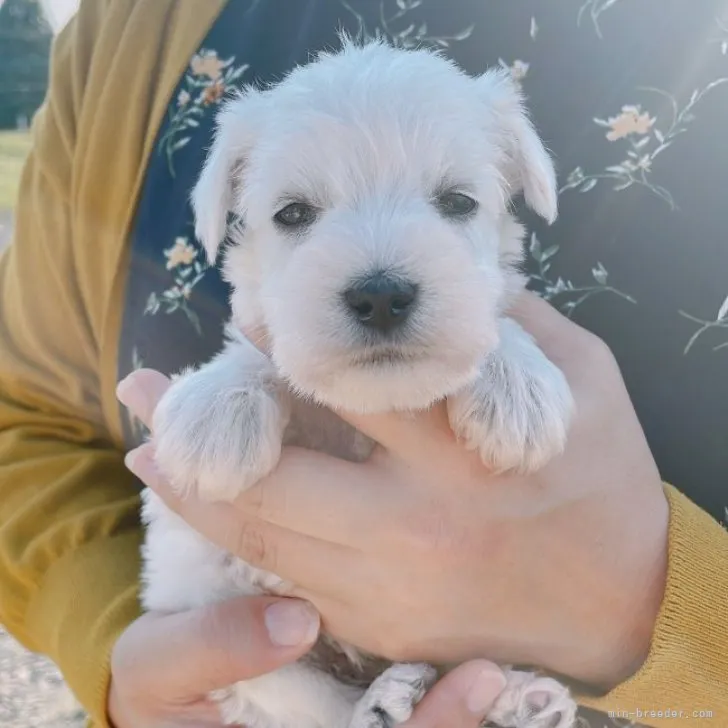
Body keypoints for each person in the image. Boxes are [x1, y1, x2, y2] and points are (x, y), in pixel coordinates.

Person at [0, 1, 726, 727]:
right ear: (230, 218)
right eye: (296, 214)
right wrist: (137, 674)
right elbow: (24, 421)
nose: (380, 280)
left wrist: (652, 607)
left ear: (515, 192)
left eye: (452, 200)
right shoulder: (130, 25)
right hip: (278, 687)